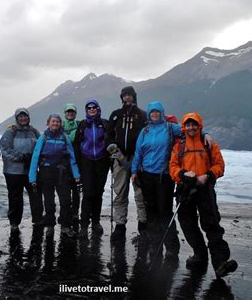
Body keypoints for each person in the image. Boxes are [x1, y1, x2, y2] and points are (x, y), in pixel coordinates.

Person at [169, 112, 237, 278]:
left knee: (211, 224)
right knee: (187, 224)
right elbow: (173, 167)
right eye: (188, 125)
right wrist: (183, 175)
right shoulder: (179, 147)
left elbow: (219, 165)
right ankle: (200, 255)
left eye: (194, 125)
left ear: (199, 126)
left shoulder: (209, 145)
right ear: (184, 127)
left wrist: (208, 175)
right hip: (185, 190)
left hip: (205, 189)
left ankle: (220, 262)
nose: (191, 128)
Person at [131, 101, 182, 259]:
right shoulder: (145, 131)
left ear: (161, 113)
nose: (154, 114)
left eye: (157, 112)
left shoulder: (169, 127)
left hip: (164, 176)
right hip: (147, 175)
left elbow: (189, 130)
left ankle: (172, 246)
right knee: (151, 212)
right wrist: (134, 170)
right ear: (149, 114)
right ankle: (155, 244)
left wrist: (205, 134)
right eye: (152, 112)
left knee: (165, 212)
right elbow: (138, 152)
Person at [29, 114, 81, 238]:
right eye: (53, 121)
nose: (55, 124)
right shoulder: (43, 137)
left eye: (57, 122)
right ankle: (50, 225)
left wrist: (76, 174)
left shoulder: (64, 137)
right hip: (46, 172)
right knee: (49, 201)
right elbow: (35, 157)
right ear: (48, 123)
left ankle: (65, 226)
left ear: (60, 124)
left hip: (61, 172)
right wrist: (32, 177)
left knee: (66, 200)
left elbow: (71, 156)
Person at [106, 86, 148, 242]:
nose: (127, 97)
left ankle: (143, 226)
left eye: (130, 95)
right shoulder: (116, 115)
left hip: (138, 159)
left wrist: (139, 156)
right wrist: (114, 151)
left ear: (134, 97)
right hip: (119, 159)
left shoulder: (142, 115)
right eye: (125, 95)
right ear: (121, 97)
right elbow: (108, 135)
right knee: (120, 193)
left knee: (140, 194)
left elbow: (146, 137)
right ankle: (120, 225)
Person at [1, 108, 43, 233]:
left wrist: (37, 159)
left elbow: (42, 146)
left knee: (36, 195)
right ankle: (14, 222)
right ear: (16, 118)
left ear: (28, 117)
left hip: (31, 170)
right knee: (15, 197)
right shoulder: (10, 132)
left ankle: (38, 219)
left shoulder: (34, 131)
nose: (23, 118)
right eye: (20, 117)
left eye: (25, 116)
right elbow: (5, 148)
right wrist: (21, 156)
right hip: (13, 171)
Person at [74, 100, 111, 237]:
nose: (91, 109)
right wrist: (78, 164)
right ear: (86, 110)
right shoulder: (83, 125)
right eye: (89, 107)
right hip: (87, 161)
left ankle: (96, 222)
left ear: (98, 108)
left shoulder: (105, 123)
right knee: (88, 193)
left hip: (102, 161)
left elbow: (110, 140)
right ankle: (84, 225)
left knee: (98, 193)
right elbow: (77, 144)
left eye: (94, 107)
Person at [62, 103, 81, 228]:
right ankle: (65, 213)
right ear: (65, 113)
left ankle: (75, 213)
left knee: (76, 190)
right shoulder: (60, 126)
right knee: (64, 190)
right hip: (63, 163)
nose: (70, 114)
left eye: (72, 112)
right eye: (68, 112)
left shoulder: (80, 125)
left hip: (77, 162)